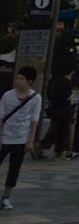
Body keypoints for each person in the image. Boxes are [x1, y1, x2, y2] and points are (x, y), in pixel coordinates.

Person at [0, 66, 42, 211]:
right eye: (17, 78)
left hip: (21, 139)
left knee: (14, 169)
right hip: (5, 137)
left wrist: (30, 140)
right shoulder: (7, 95)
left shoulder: (35, 98)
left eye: (22, 78)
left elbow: (34, 120)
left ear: (29, 81)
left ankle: (6, 197)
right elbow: (1, 116)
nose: (18, 81)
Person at [37, 63, 75, 160]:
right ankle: (59, 152)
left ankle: (41, 147)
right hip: (63, 110)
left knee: (54, 131)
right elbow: (67, 96)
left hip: (55, 109)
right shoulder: (65, 81)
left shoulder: (54, 80)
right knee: (60, 132)